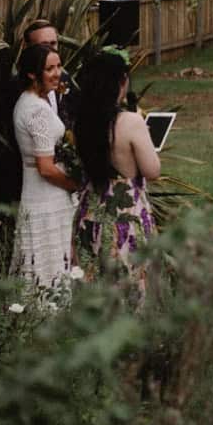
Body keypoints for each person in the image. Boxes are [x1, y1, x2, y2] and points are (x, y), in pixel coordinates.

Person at [69, 47, 160, 270]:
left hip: (89, 214)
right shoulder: (131, 122)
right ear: (122, 81)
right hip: (124, 218)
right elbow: (152, 171)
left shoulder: (81, 122)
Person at [12, 41, 80, 291]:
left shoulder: (28, 102)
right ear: (32, 73)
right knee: (48, 266)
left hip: (40, 195)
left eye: (59, 66)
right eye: (49, 68)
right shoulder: (36, 110)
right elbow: (45, 167)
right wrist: (75, 184)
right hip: (46, 197)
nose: (58, 73)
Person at [23, 19, 66, 124]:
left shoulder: (64, 79)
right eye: (44, 45)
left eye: (53, 43)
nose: (50, 50)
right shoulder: (18, 89)